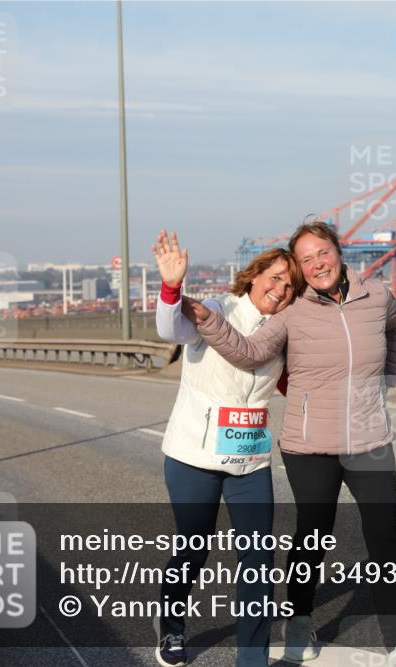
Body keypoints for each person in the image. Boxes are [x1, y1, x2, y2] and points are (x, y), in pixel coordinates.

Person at [183, 222, 396, 667]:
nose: (316, 264)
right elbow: (250, 352)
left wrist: (387, 378)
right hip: (310, 446)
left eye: (322, 253)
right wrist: (207, 319)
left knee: (385, 537)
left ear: (338, 251)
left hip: (370, 438)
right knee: (313, 537)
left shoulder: (378, 297)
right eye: (306, 259)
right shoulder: (292, 314)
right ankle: (298, 620)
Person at [150, 229, 300, 667]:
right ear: (253, 276)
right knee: (193, 548)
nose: (280, 289)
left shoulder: (283, 333)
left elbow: (297, 382)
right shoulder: (219, 309)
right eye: (274, 277)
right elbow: (171, 327)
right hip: (193, 457)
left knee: (258, 558)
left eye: (290, 285)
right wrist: (172, 286)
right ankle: (172, 628)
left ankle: (251, 660)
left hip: (250, 462)